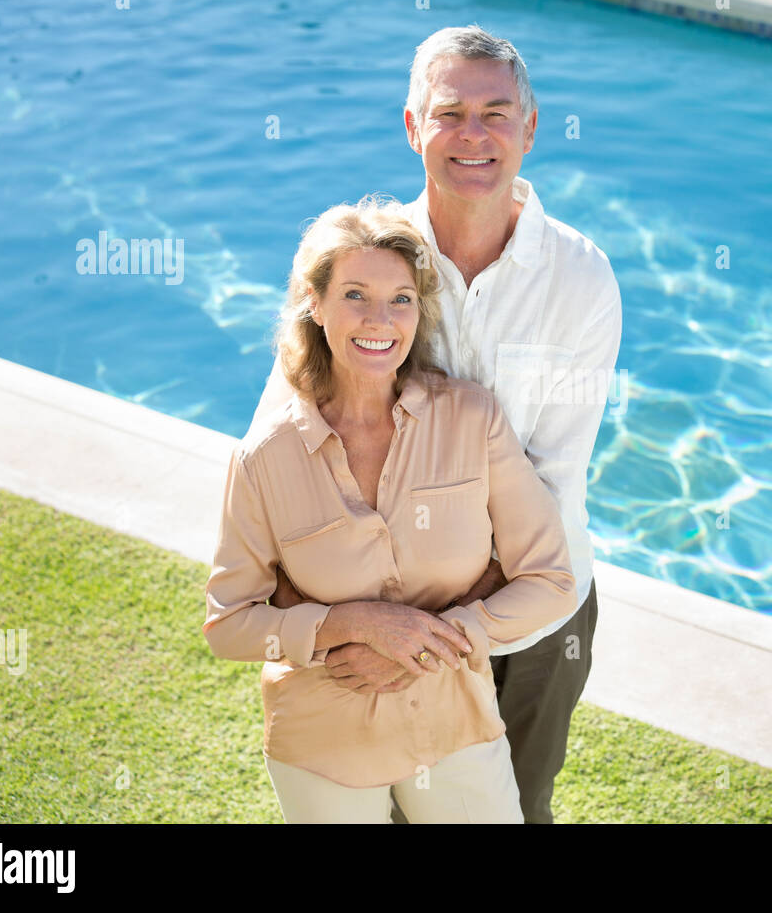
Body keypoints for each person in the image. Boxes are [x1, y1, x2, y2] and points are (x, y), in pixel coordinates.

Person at [254, 25, 622, 823]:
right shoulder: (361, 262)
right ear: (413, 126)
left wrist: (429, 635)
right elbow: (281, 440)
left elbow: (556, 476)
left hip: (531, 623)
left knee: (513, 810)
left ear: (530, 127)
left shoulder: (582, 277)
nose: (473, 135)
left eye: (496, 112)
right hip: (370, 611)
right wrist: (351, 624)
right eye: (449, 112)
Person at [203, 196, 576, 823]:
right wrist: (350, 625)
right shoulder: (263, 460)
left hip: (456, 728)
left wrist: (424, 643)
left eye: (401, 299)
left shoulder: (472, 419)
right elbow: (229, 622)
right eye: (355, 295)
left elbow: (550, 579)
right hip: (323, 744)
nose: (380, 319)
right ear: (314, 306)